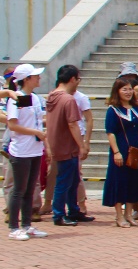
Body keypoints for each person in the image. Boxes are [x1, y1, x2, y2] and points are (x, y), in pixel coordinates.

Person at [102, 77, 138, 230]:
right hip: (121, 149)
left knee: (133, 181)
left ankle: (129, 214)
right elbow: (110, 132)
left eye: (130, 89)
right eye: (124, 89)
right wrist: (116, 152)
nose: (128, 92)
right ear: (117, 91)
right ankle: (119, 215)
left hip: (136, 151)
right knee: (119, 181)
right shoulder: (113, 110)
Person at [44, 65, 90, 227]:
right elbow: (73, 124)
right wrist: (82, 145)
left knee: (73, 179)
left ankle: (73, 210)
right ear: (72, 79)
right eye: (77, 79)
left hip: (57, 143)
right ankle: (59, 214)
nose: (78, 82)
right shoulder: (68, 99)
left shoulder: (52, 96)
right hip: (67, 146)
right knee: (64, 182)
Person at [6, 65, 47, 241]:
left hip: (35, 149)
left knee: (30, 189)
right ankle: (14, 227)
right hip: (21, 151)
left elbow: (36, 119)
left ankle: (26, 225)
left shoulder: (35, 98)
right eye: (35, 76)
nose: (38, 78)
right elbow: (13, 125)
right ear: (26, 79)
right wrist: (35, 132)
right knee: (19, 189)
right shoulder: (16, 98)